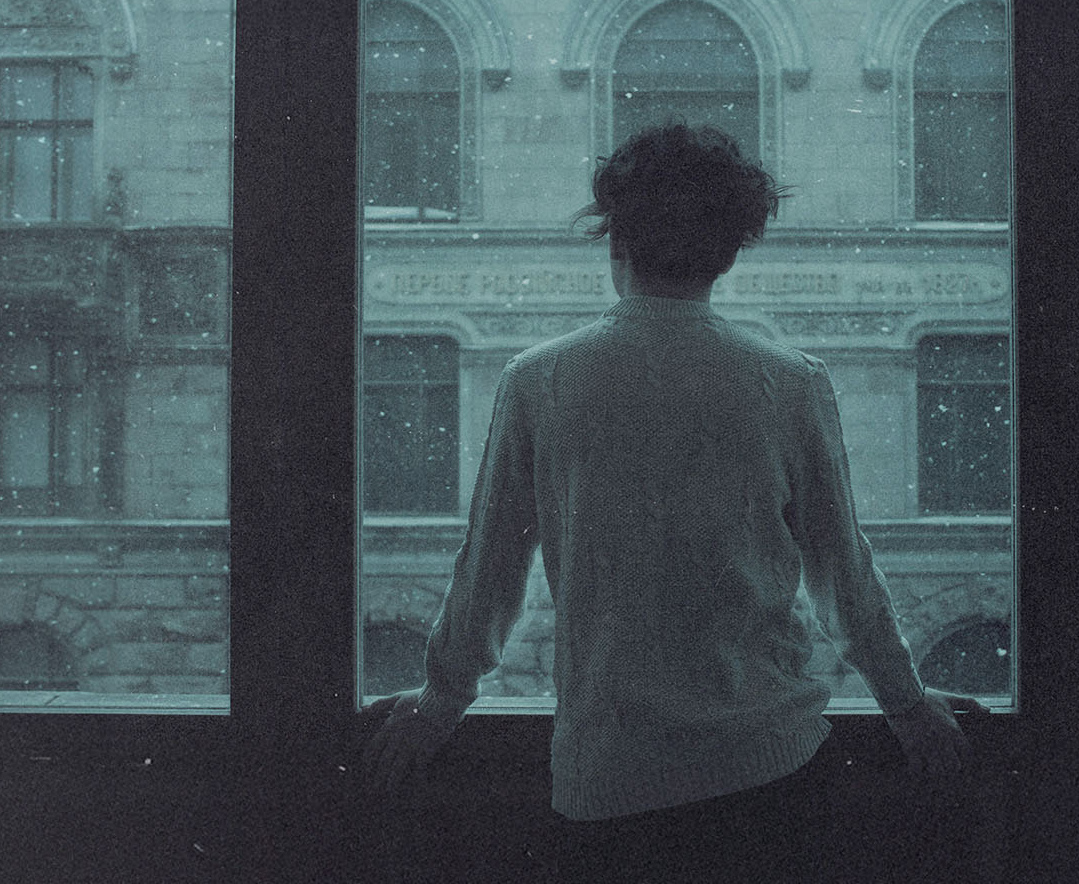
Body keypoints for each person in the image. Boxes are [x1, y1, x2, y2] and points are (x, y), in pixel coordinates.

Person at [363, 122, 985, 881]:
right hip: (774, 772)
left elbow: (491, 569)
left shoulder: (540, 380)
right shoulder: (789, 383)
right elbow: (842, 575)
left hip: (609, 785)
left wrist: (438, 704)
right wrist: (907, 705)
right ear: (728, 253)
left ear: (615, 242)